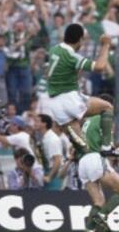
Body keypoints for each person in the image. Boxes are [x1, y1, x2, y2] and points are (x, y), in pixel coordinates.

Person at [45, 24, 115, 154]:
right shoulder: (72, 56)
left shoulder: (54, 50)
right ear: (80, 40)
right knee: (107, 107)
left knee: (84, 149)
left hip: (55, 103)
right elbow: (100, 67)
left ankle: (83, 165)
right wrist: (105, 45)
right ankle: (107, 147)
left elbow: (51, 72)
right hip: (69, 99)